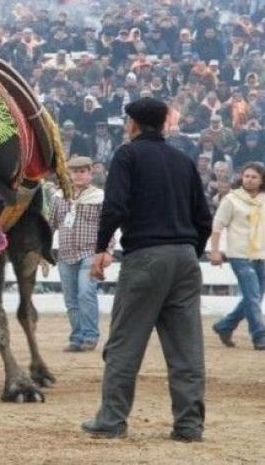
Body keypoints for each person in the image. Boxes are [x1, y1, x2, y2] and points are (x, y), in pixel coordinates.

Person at [83, 98, 212, 442]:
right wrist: (189, 251)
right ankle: (189, 425)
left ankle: (111, 420)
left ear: (133, 124)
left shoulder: (127, 155)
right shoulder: (184, 161)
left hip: (145, 256)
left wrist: (101, 248)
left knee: (125, 343)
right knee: (186, 348)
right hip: (185, 258)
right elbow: (204, 218)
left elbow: (115, 207)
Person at [48, 156, 108, 352]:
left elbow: (107, 226)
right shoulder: (58, 197)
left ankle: (90, 335)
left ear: (90, 173)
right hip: (66, 253)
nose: (78, 175)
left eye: (83, 171)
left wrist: (107, 251)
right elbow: (50, 225)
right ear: (69, 174)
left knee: (85, 293)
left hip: (90, 252)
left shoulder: (99, 197)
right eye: (75, 171)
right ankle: (77, 337)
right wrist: (43, 249)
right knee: (71, 299)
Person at [209, 162, 265, 350]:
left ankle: (224, 325)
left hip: (262, 254)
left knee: (253, 297)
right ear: (241, 177)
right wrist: (215, 251)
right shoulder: (232, 199)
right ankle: (259, 336)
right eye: (246, 176)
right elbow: (217, 226)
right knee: (253, 295)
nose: (249, 180)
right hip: (240, 255)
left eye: (254, 177)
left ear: (261, 180)